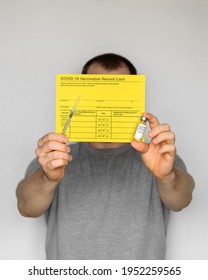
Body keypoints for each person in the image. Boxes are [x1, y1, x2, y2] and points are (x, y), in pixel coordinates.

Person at [16, 53, 195, 260]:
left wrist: (166, 176)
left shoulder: (160, 157)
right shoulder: (54, 158)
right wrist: (47, 178)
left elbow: (181, 199)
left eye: (118, 91)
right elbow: (26, 207)